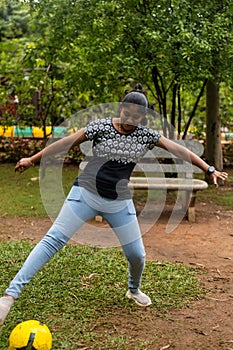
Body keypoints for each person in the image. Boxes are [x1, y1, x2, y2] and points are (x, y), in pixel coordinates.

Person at [0, 84, 228, 324]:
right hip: (84, 194)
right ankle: (9, 296)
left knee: (137, 255)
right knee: (52, 241)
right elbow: (66, 142)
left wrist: (208, 168)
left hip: (118, 201)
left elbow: (179, 150)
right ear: (121, 108)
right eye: (127, 112)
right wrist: (32, 160)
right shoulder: (101, 126)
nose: (130, 118)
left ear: (144, 116)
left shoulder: (145, 135)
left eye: (137, 115)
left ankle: (133, 289)